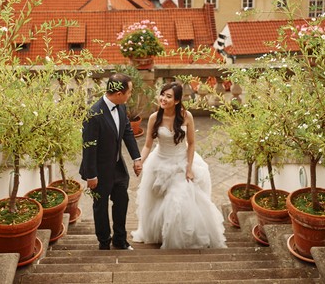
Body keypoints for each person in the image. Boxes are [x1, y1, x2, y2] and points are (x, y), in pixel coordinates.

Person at [132, 81, 226, 249]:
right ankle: (159, 234)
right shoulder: (155, 117)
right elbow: (147, 145)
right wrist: (140, 161)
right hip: (159, 162)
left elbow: (191, 143)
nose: (163, 99)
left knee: (177, 201)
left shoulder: (186, 116)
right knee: (156, 203)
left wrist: (189, 168)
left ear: (176, 101)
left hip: (181, 163)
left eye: (168, 96)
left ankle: (178, 239)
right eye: (162, 94)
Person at [79, 73, 143, 250]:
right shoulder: (94, 114)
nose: (130, 95)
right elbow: (88, 147)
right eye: (129, 92)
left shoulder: (121, 107)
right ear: (119, 93)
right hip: (98, 172)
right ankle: (104, 241)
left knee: (122, 201)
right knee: (100, 207)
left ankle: (120, 240)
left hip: (118, 168)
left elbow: (127, 132)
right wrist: (91, 175)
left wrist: (136, 158)